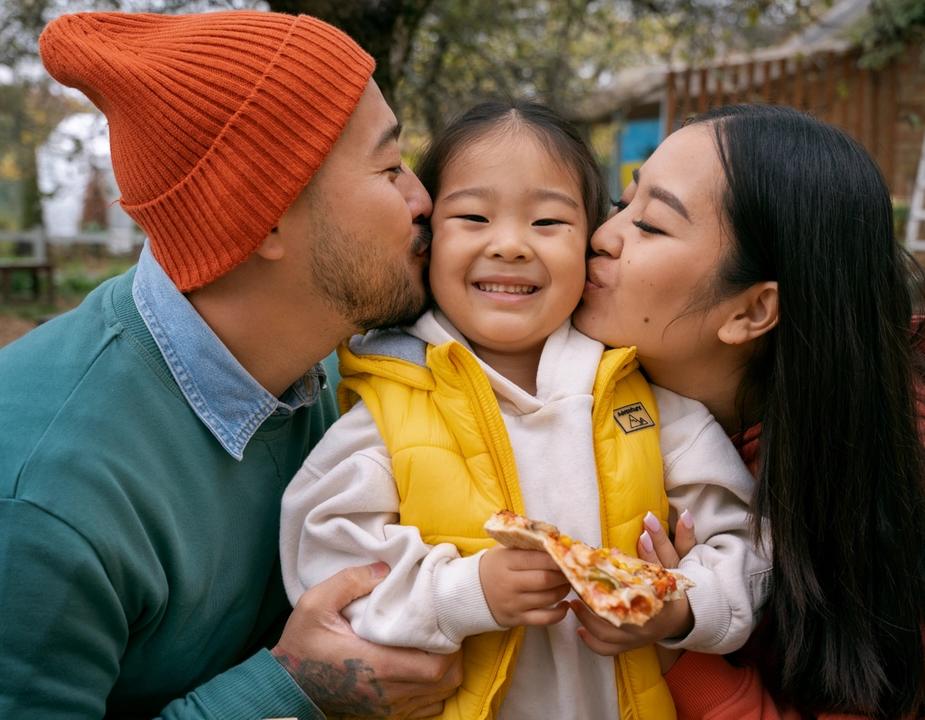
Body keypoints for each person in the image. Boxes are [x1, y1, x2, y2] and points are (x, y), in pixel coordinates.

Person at [0, 11, 462, 719]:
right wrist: (295, 690)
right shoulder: (19, 510)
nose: (425, 202)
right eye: (390, 169)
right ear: (262, 215)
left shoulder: (317, 376)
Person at [280, 101, 771, 720]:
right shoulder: (388, 406)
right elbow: (331, 574)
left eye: (547, 222)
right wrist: (462, 593)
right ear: (427, 239)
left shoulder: (640, 398)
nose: (509, 245)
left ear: (591, 243)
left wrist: (680, 608)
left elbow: (744, 543)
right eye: (473, 216)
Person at [573, 104, 925, 719]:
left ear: (751, 311)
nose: (601, 236)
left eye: (649, 224)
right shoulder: (583, 407)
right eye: (623, 206)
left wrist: (677, 650)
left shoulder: (890, 507)